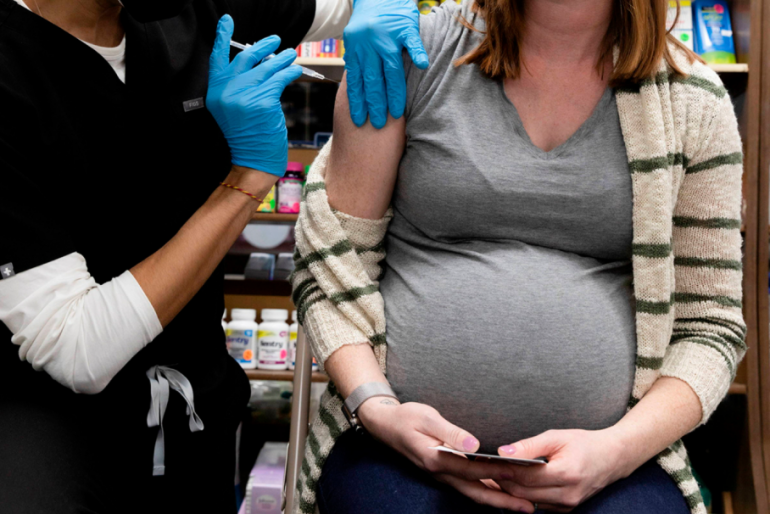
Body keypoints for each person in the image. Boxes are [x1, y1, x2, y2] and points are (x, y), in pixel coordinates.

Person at [290, 0, 746, 513]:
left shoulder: (692, 101)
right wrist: (374, 406)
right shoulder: (406, 56)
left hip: (615, 465)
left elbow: (709, 328)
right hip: (392, 450)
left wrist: (615, 452)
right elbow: (332, 264)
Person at [0, 0, 429, 512]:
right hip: (52, 434)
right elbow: (74, 346)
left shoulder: (201, 10)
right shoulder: (11, 73)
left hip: (194, 406)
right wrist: (245, 180)